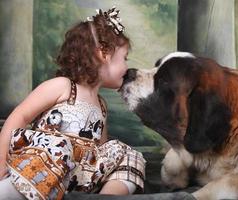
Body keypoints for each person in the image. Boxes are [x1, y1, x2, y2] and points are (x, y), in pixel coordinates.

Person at [0, 7, 146, 200]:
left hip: (79, 178)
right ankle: (8, 192)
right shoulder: (63, 86)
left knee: (129, 155)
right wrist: (1, 161)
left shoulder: (101, 106)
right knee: (60, 146)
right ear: (104, 53)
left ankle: (105, 197)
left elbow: (100, 149)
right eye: (124, 58)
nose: (127, 67)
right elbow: (20, 115)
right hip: (42, 168)